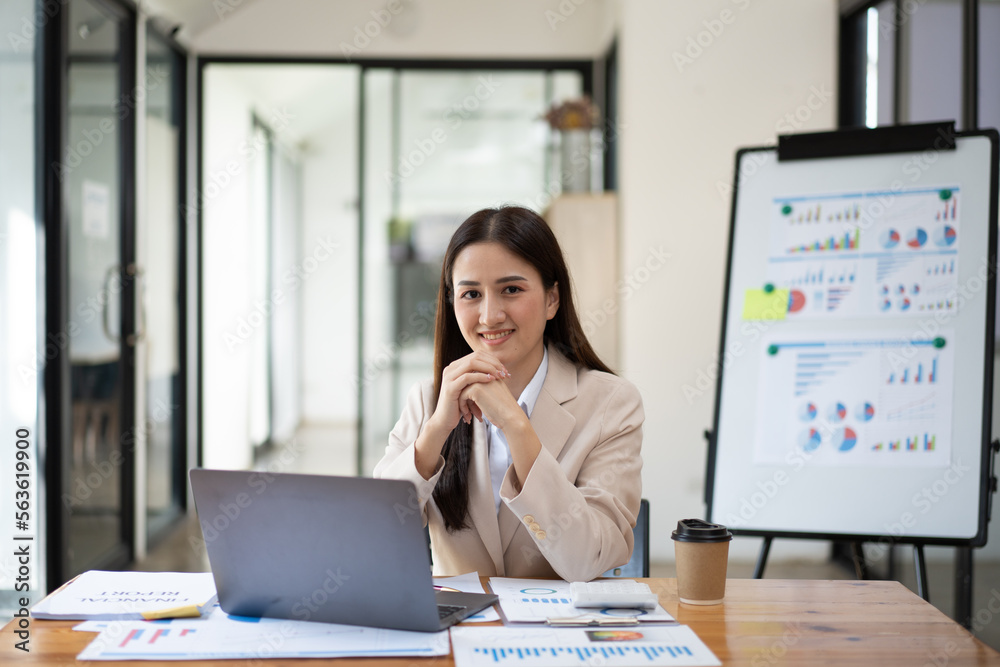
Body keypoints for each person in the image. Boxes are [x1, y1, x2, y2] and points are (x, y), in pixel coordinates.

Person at [374, 206, 644, 582]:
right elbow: (375, 538)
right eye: (471, 294)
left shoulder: (612, 403)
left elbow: (588, 558)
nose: (489, 315)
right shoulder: (428, 400)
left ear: (552, 299)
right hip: (459, 632)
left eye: (511, 290)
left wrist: (517, 426)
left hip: (558, 632)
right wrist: (435, 431)